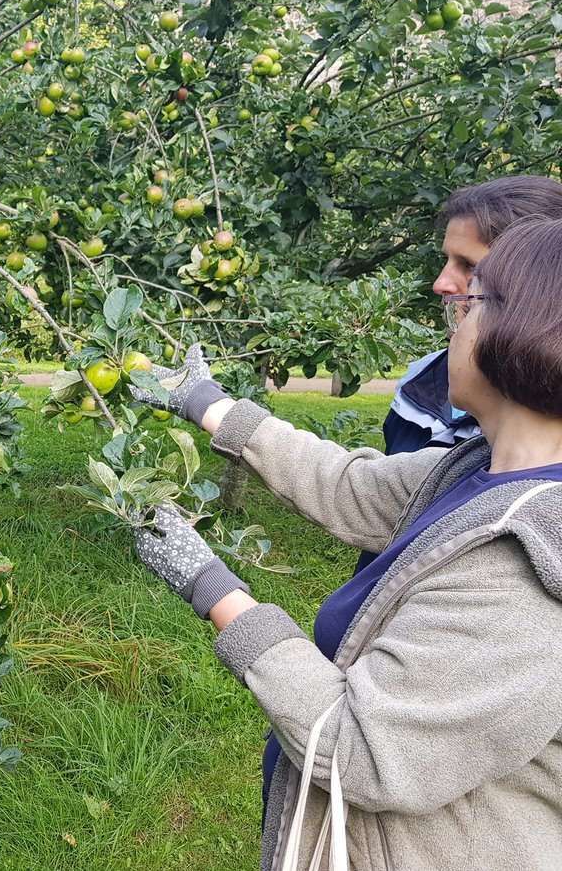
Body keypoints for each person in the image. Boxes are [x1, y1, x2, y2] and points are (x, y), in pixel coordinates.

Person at [129, 218, 562, 870]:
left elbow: (363, 746)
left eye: (469, 302)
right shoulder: (478, 470)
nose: (451, 315)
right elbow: (351, 487)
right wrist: (206, 402)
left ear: (523, 329)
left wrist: (210, 586)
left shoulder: (529, 560)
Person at [354, 176, 562, 570]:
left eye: (469, 267)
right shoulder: (422, 380)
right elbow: (382, 494)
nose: (441, 283)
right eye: (446, 259)